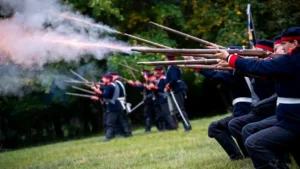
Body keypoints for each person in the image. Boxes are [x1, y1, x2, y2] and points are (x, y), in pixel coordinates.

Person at [214, 27, 300, 169]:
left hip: (293, 122)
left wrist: (230, 58)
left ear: (295, 44)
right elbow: (263, 71)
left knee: (253, 143)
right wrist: (233, 64)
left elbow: (260, 67)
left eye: (284, 44)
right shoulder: (291, 62)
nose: (281, 48)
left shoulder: (291, 61)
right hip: (290, 119)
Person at [185, 46, 253, 160]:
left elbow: (214, 75)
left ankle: (240, 156)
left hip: (244, 111)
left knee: (216, 127)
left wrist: (194, 63)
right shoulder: (242, 70)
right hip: (245, 111)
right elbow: (218, 73)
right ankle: (244, 154)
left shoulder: (237, 73)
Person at [227, 40, 277, 158]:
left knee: (245, 128)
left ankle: (275, 158)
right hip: (262, 110)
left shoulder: (274, 66)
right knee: (234, 124)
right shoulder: (260, 66)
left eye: (258, 52)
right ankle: (250, 156)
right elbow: (250, 69)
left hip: (272, 111)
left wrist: (231, 60)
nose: (255, 55)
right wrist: (229, 62)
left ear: (268, 53)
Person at [91, 73, 127, 142]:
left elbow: (106, 95)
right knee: (122, 121)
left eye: (104, 78)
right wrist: (97, 87)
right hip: (116, 106)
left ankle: (108, 137)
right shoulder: (110, 85)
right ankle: (127, 134)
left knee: (110, 123)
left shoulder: (110, 86)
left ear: (108, 79)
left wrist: (96, 90)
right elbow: (105, 90)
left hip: (113, 107)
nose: (102, 80)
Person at [165, 54, 192, 132]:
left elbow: (174, 79)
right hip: (176, 89)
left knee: (179, 109)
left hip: (177, 89)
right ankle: (186, 125)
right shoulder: (173, 66)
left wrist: (168, 85)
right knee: (178, 109)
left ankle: (187, 126)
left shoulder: (173, 67)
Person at [151, 66, 177, 131]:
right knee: (161, 114)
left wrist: (155, 88)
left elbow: (163, 89)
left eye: (158, 70)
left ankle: (172, 126)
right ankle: (165, 127)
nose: (157, 72)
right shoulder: (156, 80)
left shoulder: (163, 79)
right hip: (158, 98)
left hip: (163, 97)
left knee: (166, 113)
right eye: (156, 70)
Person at [111, 72, 132, 137]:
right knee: (122, 119)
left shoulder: (116, 83)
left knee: (122, 119)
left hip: (119, 103)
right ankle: (125, 133)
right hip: (121, 102)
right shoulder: (120, 82)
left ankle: (127, 133)